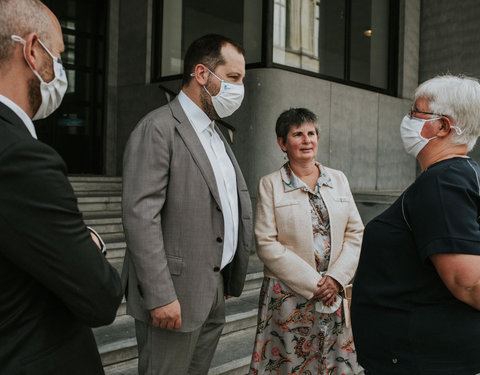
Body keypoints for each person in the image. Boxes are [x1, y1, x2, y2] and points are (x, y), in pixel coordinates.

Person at [0, 0, 123, 374]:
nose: (62, 69)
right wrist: (93, 240)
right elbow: (100, 298)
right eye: (60, 55)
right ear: (33, 50)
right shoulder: (23, 159)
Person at [121, 34, 253, 375]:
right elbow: (140, 217)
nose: (240, 88)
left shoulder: (216, 134)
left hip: (212, 290)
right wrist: (160, 295)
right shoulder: (158, 128)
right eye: (234, 78)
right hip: (172, 297)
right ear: (201, 74)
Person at [351, 75, 480, 375]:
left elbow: (469, 282)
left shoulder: (443, 181)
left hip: (422, 361)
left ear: (442, 126)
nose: (407, 119)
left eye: (415, 112)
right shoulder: (455, 177)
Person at [249, 108, 364, 374]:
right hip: (288, 296)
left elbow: (355, 232)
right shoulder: (270, 184)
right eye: (297, 134)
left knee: (336, 363)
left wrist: (335, 279)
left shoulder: (338, 180)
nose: (306, 140)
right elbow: (266, 242)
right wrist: (315, 284)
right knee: (290, 364)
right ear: (282, 143)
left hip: (334, 293)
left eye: (311, 133)